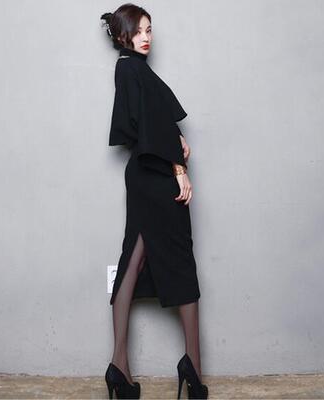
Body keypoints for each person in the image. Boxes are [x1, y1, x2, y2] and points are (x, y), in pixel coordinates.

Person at [101, 4, 208, 399]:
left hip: (146, 175)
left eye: (149, 30)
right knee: (178, 259)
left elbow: (152, 118)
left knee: (134, 259)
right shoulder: (130, 69)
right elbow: (144, 125)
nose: (146, 37)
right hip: (155, 176)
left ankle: (119, 368)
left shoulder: (134, 69)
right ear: (122, 35)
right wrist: (178, 166)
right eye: (138, 31)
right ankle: (192, 370)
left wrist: (175, 136)